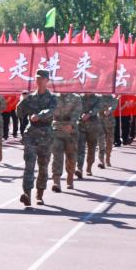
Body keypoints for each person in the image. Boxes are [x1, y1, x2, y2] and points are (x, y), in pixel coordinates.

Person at [17, 70, 57, 206]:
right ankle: (27, 194)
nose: (38, 81)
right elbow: (19, 113)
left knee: (43, 166)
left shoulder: (52, 97)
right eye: (37, 78)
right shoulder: (30, 98)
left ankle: (39, 195)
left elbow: (51, 111)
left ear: (47, 80)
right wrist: (22, 101)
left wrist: (39, 115)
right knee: (29, 164)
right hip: (31, 134)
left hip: (46, 134)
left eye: (41, 78)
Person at [50, 91, 81, 193]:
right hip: (56, 129)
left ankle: (70, 177)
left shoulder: (76, 97)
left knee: (71, 157)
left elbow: (77, 112)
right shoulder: (53, 97)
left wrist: (70, 124)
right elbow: (49, 111)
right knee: (57, 156)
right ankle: (56, 181)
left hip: (71, 131)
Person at [75, 92, 101, 178]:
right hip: (81, 126)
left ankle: (89, 167)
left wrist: (89, 114)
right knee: (80, 148)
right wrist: (81, 114)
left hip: (93, 127)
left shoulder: (97, 97)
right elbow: (76, 108)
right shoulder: (79, 97)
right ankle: (79, 168)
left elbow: (97, 108)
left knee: (91, 148)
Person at [97, 93, 116, 168]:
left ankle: (108, 157)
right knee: (101, 142)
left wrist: (109, 110)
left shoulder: (113, 98)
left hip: (110, 124)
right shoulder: (98, 98)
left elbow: (113, 106)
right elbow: (96, 108)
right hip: (100, 123)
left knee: (109, 142)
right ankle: (101, 160)